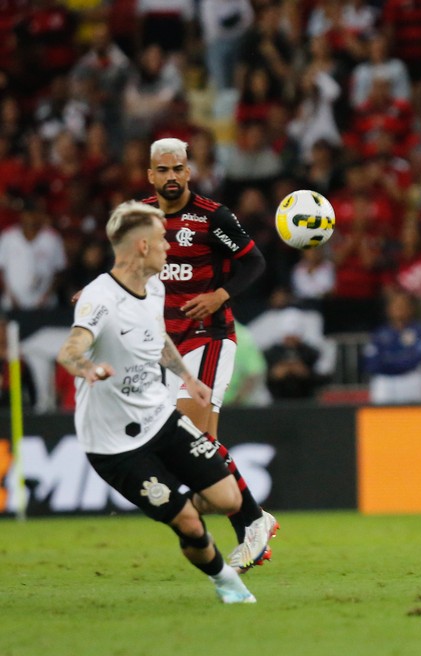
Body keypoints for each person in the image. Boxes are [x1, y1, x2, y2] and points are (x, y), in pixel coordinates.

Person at [56, 201, 257, 603]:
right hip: (113, 442)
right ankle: (225, 582)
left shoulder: (155, 287)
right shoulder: (99, 298)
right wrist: (87, 369)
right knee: (189, 522)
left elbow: (158, 339)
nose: (171, 246)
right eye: (164, 239)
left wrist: (187, 378)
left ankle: (186, 513)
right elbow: (70, 351)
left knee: (227, 498)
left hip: (159, 418)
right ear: (143, 246)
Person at [142, 137, 277, 572]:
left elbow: (254, 262)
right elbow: (128, 268)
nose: (171, 177)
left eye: (178, 168)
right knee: (200, 449)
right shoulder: (140, 218)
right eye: (163, 170)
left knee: (186, 437)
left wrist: (220, 294)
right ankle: (250, 519)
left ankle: (253, 520)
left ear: (188, 170)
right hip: (168, 346)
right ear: (151, 175)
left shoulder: (211, 216)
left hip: (209, 337)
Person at [363, 290, 421, 405]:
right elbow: (371, 362)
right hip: (385, 380)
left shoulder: (420, 331)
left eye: (403, 306)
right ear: (389, 310)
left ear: (411, 309)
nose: (399, 309)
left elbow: (418, 357)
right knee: (381, 417)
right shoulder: (380, 333)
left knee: (413, 417)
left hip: (410, 379)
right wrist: (399, 359)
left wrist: (389, 360)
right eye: (396, 306)